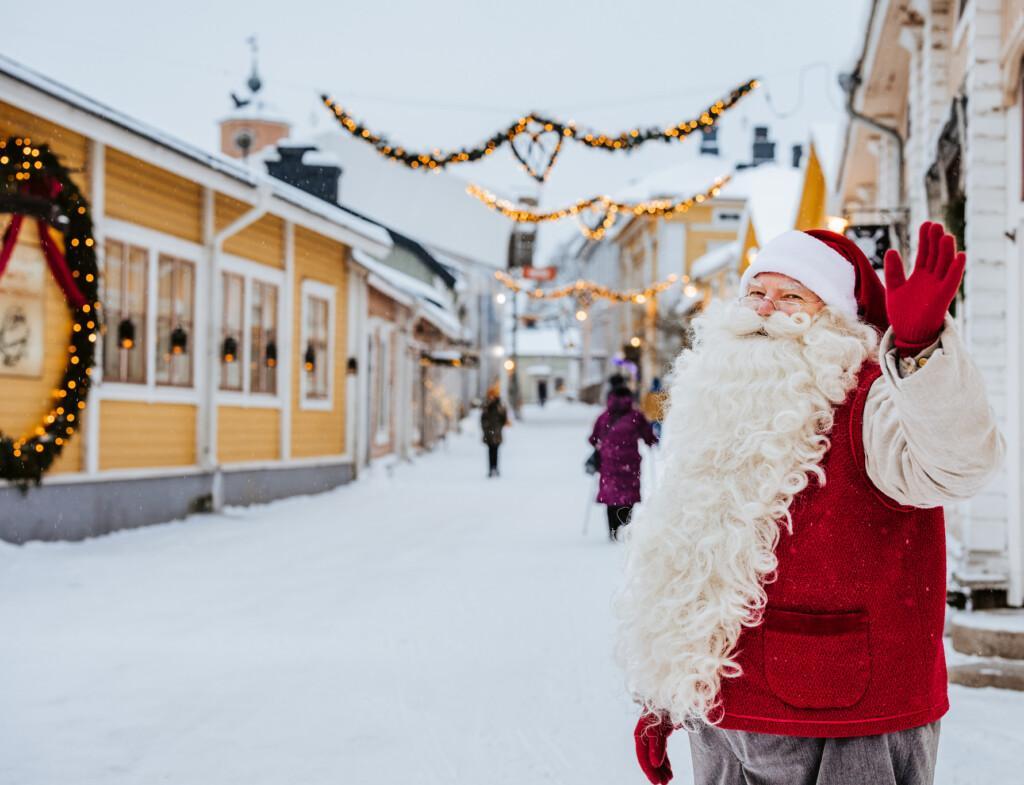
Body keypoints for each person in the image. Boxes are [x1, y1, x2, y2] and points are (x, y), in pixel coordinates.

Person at [617, 223, 1004, 785]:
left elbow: (958, 464)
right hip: (722, 719)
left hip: (846, 720)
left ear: (834, 318)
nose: (765, 309)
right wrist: (663, 697)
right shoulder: (717, 400)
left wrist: (921, 354)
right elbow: (686, 562)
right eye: (756, 292)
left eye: (792, 295)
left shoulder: (873, 398)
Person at [589, 381, 658, 540]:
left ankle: (612, 531)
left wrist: (602, 445)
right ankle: (625, 528)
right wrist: (652, 441)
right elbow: (648, 437)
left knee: (611, 496)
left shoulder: (604, 416)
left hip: (609, 463)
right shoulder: (635, 416)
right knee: (628, 496)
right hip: (630, 464)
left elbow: (593, 438)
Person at [480, 384, 508, 478]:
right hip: (488, 433)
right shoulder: (486, 406)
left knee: (495, 451)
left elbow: (504, 419)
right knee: (490, 451)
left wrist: (498, 427)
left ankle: (495, 468)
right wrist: (485, 428)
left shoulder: (499, 406)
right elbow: (483, 419)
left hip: (496, 433)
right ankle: (491, 468)